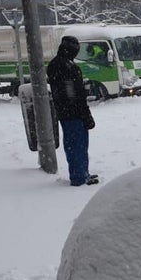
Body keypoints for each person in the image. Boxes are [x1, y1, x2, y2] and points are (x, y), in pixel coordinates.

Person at [47, 35, 99, 186]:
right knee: (78, 145)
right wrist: (85, 114)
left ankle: (82, 173)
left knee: (74, 144)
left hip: (65, 112)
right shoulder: (67, 67)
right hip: (73, 113)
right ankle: (79, 176)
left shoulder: (56, 64)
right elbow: (73, 95)